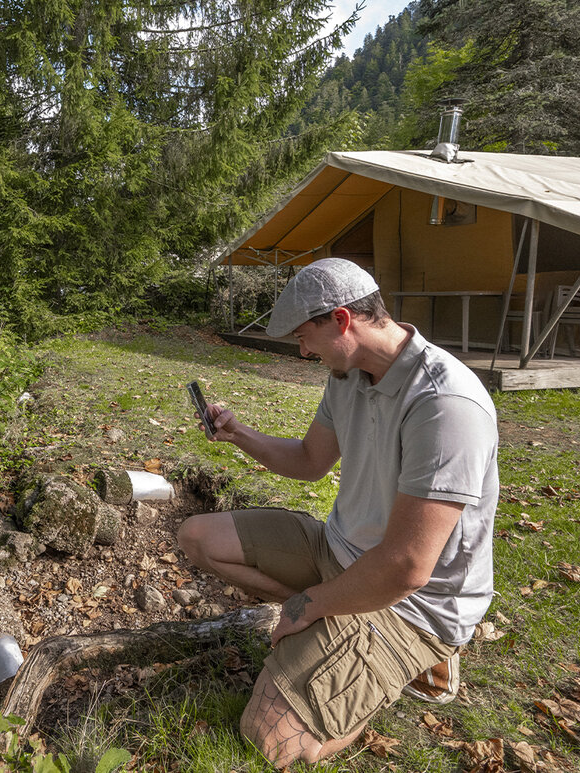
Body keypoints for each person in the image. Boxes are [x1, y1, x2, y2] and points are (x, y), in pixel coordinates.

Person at [176, 258, 499, 769]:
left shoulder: (444, 404)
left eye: (306, 337)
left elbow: (407, 567)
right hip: (339, 550)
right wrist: (238, 434)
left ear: (342, 320)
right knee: (198, 536)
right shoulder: (347, 375)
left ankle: (400, 665)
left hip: (412, 604)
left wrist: (311, 603)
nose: (303, 351)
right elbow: (309, 462)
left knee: (271, 742)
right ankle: (337, 641)